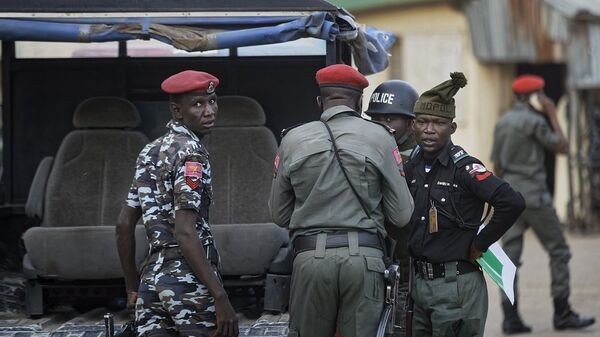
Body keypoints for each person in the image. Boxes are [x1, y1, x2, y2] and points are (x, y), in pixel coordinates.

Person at [269, 64, 414, 337]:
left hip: (310, 260)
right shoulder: (381, 138)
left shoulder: (292, 140)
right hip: (365, 261)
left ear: (319, 101)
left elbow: (278, 214)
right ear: (359, 102)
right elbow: (402, 215)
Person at [116, 70, 238, 337]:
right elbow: (184, 231)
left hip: (152, 281)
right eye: (198, 104)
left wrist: (133, 288)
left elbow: (124, 223)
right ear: (176, 111)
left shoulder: (149, 150)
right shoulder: (191, 153)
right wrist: (220, 297)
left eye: (212, 101)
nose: (209, 111)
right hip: (189, 280)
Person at [405, 72, 525, 337]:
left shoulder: (465, 168)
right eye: (422, 121)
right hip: (420, 285)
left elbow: (511, 201)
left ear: (452, 128)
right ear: (413, 125)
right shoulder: (412, 166)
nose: (428, 129)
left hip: (456, 284)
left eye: (438, 123)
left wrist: (480, 245)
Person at [491, 74, 595, 334]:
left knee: (509, 258)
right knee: (559, 250)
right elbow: (562, 146)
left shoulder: (503, 121)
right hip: (535, 196)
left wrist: (499, 198)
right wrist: (551, 112)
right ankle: (562, 313)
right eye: (542, 94)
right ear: (534, 97)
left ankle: (510, 318)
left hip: (510, 197)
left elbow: (498, 166)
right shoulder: (535, 120)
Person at [365, 80, 420, 337]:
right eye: (375, 118)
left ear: (411, 123)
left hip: (411, 265)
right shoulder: (364, 151)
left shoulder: (424, 158)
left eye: (390, 118)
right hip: (374, 261)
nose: (382, 126)